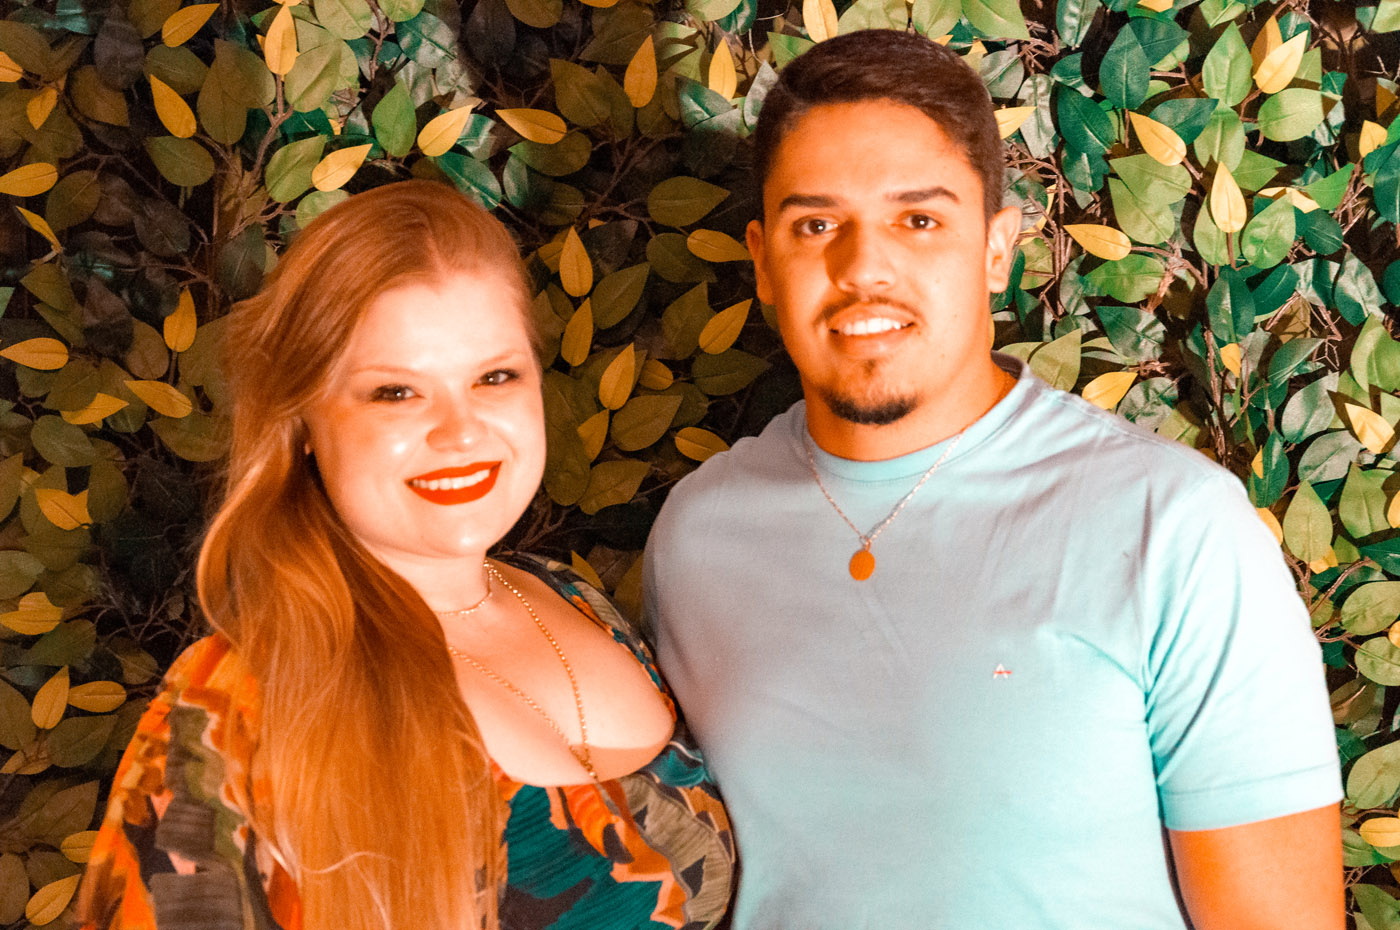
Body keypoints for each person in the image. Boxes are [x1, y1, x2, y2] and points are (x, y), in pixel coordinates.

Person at [643, 29, 1342, 930]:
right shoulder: (697, 533)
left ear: (997, 248)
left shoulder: (1173, 527)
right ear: (764, 261)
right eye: (815, 225)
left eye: (918, 220)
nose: (863, 268)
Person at [79, 181, 733, 930]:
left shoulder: (571, 597)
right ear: (303, 420)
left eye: (494, 377)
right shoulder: (243, 699)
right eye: (395, 392)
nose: (462, 431)